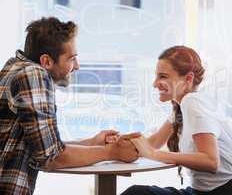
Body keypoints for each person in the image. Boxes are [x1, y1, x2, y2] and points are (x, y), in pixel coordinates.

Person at [0, 17, 140, 195]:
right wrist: (111, 152)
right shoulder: (33, 74)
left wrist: (91, 143)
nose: (77, 66)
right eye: (72, 58)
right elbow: (51, 157)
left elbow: (43, 147)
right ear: (47, 62)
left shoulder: (13, 68)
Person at [121, 46, 232, 195]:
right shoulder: (180, 107)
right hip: (201, 191)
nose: (155, 84)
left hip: (221, 191)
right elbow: (154, 143)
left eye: (163, 76)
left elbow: (211, 162)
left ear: (188, 79)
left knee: (136, 193)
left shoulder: (192, 102)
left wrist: (153, 155)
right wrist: (123, 142)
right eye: (156, 76)